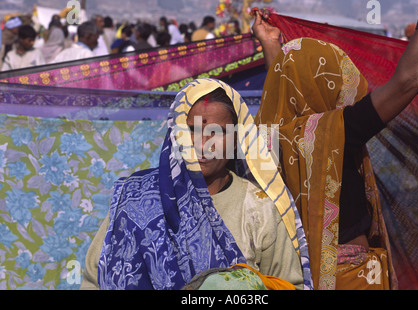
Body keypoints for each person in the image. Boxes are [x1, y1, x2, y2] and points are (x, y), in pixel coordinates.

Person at [252, 0, 418, 290]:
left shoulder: (264, 139)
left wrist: (271, 47)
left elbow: (285, 92)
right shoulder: (336, 132)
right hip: (349, 279)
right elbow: (411, 80)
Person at [81, 78, 312, 290]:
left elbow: (287, 284)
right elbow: (95, 279)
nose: (203, 144)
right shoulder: (136, 198)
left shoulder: (260, 209)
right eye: (192, 130)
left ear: (235, 140)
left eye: (217, 132)